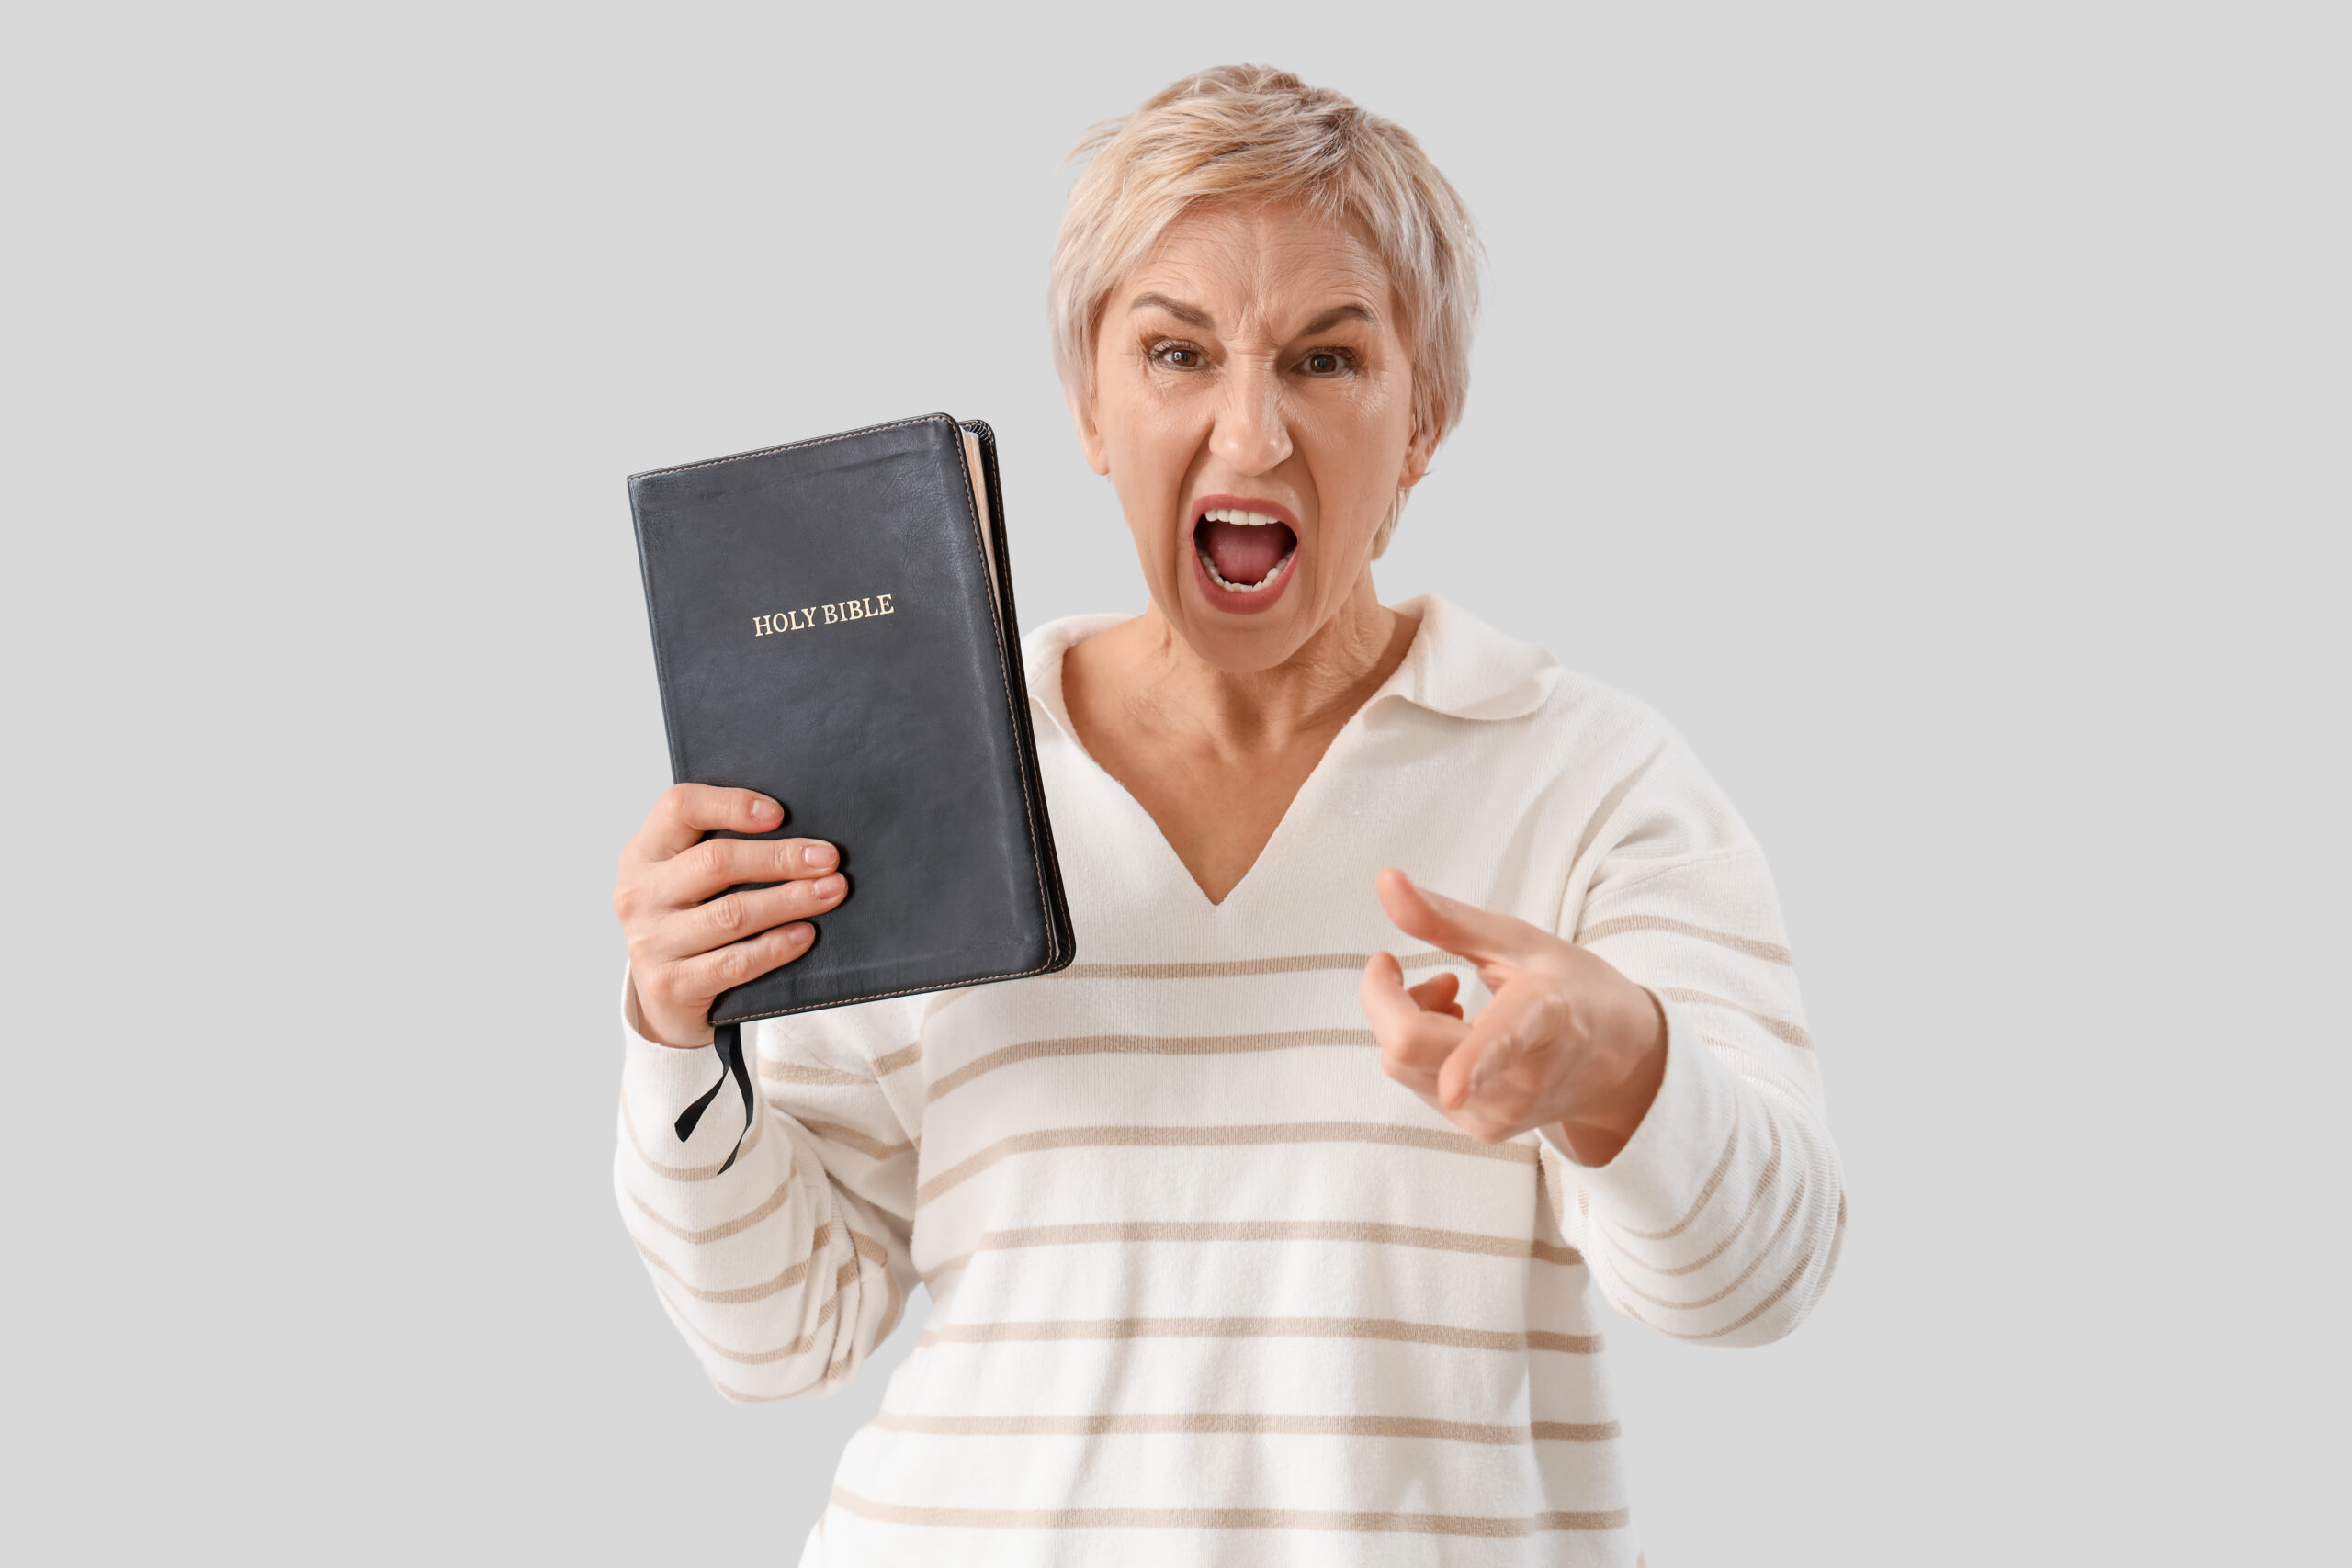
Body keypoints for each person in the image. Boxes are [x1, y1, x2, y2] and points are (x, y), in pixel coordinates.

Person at [610, 64, 1845, 1566]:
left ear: (1426, 417)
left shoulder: (1597, 785)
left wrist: (1624, 1067)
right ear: (1090, 406)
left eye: (1327, 362)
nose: (1250, 437)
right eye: (1178, 353)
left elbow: (1759, 1278)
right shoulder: (925, 760)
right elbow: (785, 1336)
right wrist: (679, 1037)